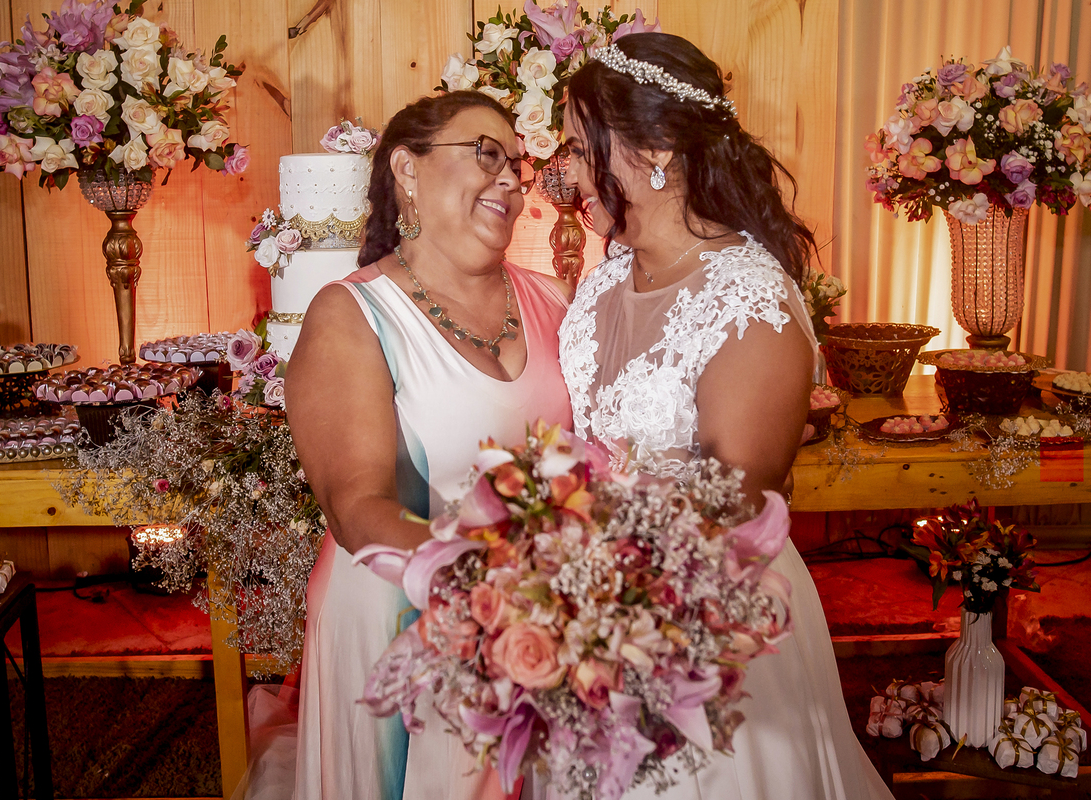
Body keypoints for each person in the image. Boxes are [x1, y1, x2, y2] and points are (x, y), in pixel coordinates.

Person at [556, 33, 895, 799]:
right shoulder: (605, 283)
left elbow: (736, 492)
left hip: (709, 609)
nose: (568, 172)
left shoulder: (748, 298)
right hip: (593, 602)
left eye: (583, 149)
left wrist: (592, 567)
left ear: (657, 149)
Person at [283, 91, 574, 800]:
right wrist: (495, 589)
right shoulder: (351, 315)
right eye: (485, 154)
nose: (510, 177)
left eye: (517, 164)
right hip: (399, 619)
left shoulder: (557, 301)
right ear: (406, 171)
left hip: (540, 623)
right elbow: (356, 507)